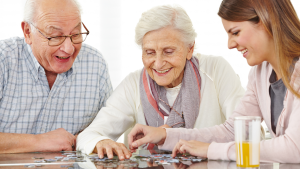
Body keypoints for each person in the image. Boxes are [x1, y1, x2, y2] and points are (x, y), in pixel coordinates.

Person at [128, 0, 300, 163]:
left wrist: (211, 149)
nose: (230, 44)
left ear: (266, 22)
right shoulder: (260, 73)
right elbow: (232, 131)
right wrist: (166, 136)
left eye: (235, 32)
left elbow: (294, 148)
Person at [77, 5, 245, 160]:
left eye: (169, 52)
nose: (158, 64)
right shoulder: (133, 84)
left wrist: (170, 135)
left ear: (190, 48)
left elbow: (245, 133)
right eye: (149, 52)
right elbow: (90, 134)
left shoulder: (216, 70)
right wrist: (100, 141)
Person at [0, 0, 112, 153]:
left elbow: (107, 130)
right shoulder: (4, 60)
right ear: (27, 32)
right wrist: (38, 142)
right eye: (55, 36)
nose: (69, 48)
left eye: (76, 34)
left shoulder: (95, 64)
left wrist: (96, 140)